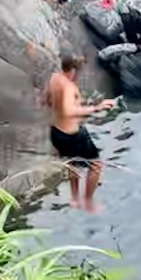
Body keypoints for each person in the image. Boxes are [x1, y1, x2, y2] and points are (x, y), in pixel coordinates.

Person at [45, 53, 116, 210]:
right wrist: (96, 108)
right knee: (96, 165)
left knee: (74, 164)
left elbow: (47, 101)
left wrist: (73, 104)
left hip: (56, 132)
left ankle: (75, 199)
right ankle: (88, 201)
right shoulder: (69, 87)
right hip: (72, 135)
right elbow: (69, 111)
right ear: (73, 70)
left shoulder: (54, 78)